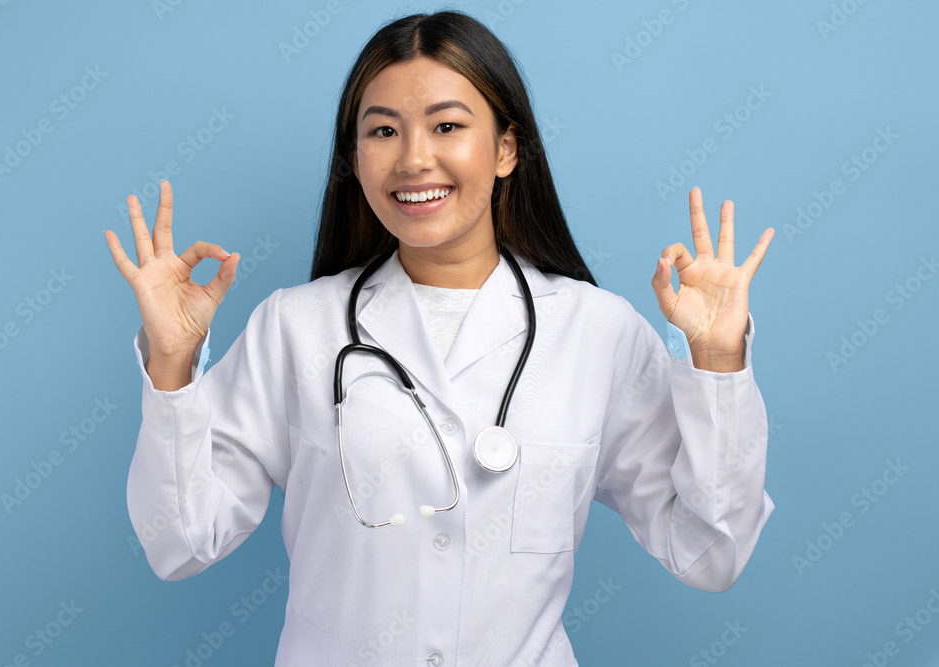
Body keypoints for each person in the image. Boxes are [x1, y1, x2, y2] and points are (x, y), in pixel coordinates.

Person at [105, 10, 775, 666]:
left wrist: (718, 360)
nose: (413, 158)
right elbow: (180, 544)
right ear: (356, 158)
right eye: (384, 131)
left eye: (447, 125)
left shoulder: (597, 333)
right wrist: (171, 362)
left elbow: (710, 553)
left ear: (507, 149)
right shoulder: (294, 328)